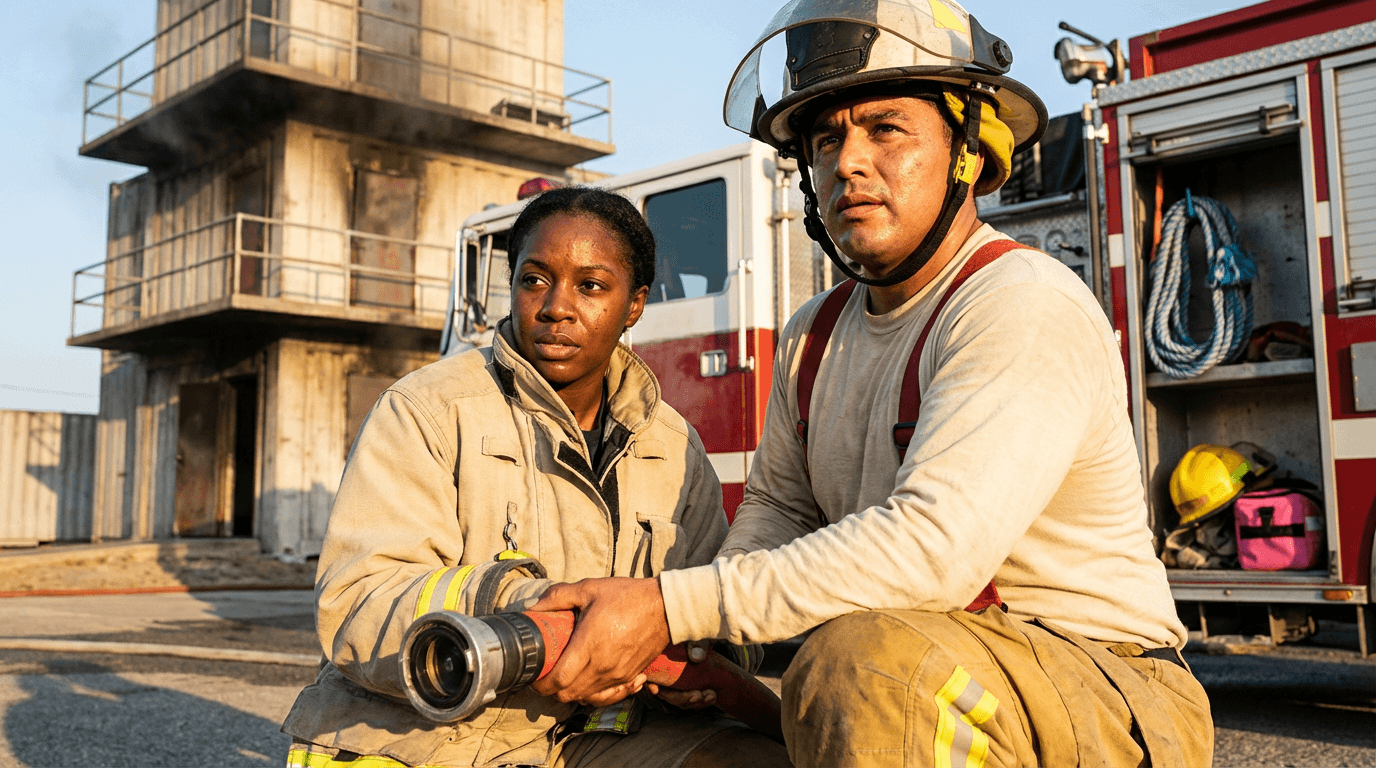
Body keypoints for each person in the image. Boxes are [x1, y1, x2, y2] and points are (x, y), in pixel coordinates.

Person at [526, 2, 1215, 766]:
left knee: (861, 664)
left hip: (1103, 682)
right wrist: (705, 644)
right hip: (940, 658)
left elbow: (934, 550)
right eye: (826, 139)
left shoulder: (1018, 301)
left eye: (885, 128)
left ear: (965, 152)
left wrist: (664, 606)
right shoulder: (812, 335)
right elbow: (779, 509)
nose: (847, 161)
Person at [281, 187, 791, 768]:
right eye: (535, 280)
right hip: (433, 741)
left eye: (592, 286)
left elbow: (722, 612)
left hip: (601, 736)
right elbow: (355, 603)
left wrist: (699, 658)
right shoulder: (426, 410)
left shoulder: (673, 446)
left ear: (634, 305)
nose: (556, 308)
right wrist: (529, 606)